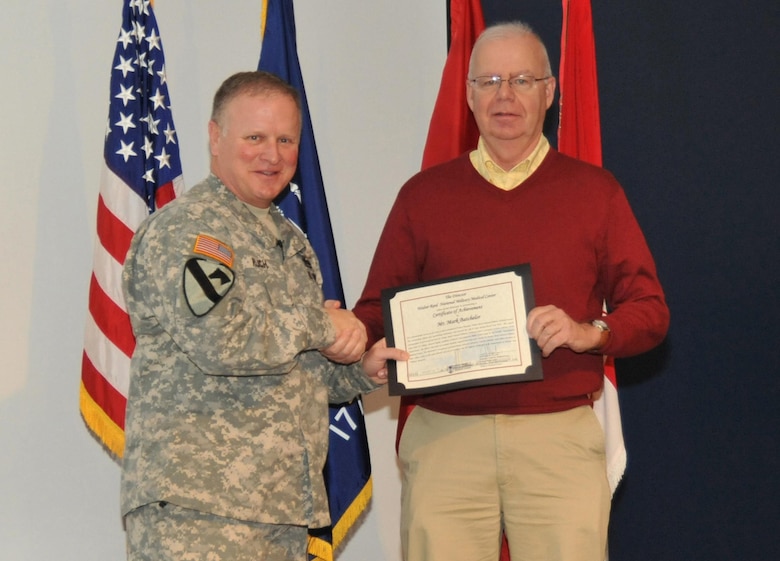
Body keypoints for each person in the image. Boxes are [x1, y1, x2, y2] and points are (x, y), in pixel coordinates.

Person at [352, 22, 669, 561]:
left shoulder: (595, 192)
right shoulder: (422, 196)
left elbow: (650, 312)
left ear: (549, 92)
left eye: (522, 79)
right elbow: (374, 312)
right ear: (469, 93)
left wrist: (587, 333)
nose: (505, 95)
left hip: (558, 440)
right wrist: (360, 346)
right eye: (491, 79)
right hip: (444, 440)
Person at [120, 71, 408, 561]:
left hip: (280, 508)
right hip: (201, 511)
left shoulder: (287, 240)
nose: (272, 154)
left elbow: (292, 365)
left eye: (285, 139)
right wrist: (322, 324)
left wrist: (357, 372)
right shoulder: (192, 230)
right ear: (215, 137)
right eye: (255, 137)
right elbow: (219, 341)